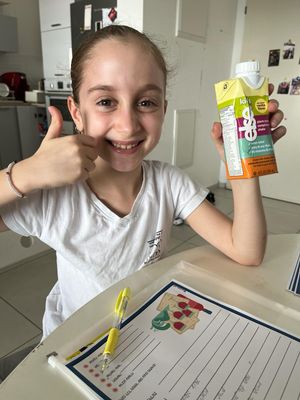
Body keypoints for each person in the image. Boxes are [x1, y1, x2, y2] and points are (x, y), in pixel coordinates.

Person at [0, 25, 286, 340]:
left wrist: (242, 160)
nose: (127, 125)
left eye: (146, 102)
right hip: (72, 343)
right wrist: (26, 174)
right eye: (106, 101)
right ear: (76, 112)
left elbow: (247, 252)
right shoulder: (53, 195)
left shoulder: (169, 183)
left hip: (142, 334)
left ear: (163, 109)